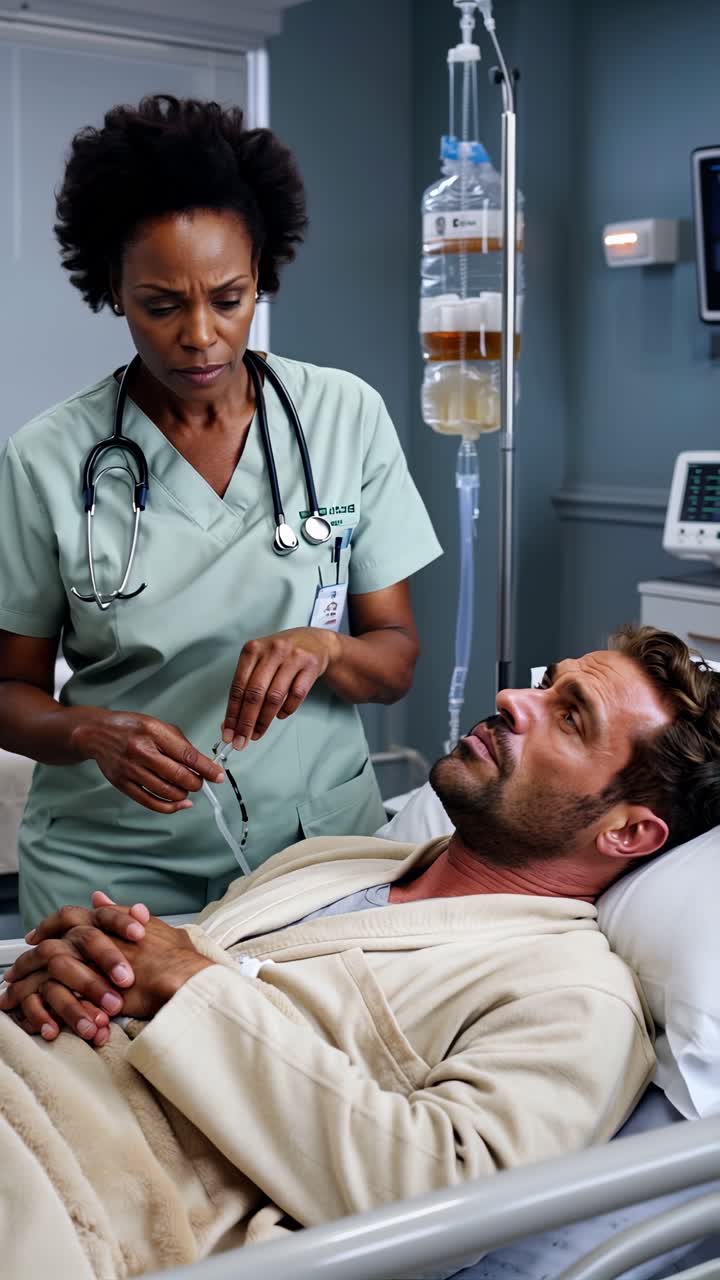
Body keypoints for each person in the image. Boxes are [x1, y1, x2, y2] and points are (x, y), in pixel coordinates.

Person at [1, 625, 719, 1277]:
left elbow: (437, 1200)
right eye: (545, 682)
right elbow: (146, 989)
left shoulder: (572, 996)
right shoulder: (338, 861)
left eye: (569, 716)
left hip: (74, 1191)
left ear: (629, 833)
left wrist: (188, 986)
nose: (512, 698)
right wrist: (79, 970)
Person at [0, 95, 442, 928]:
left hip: (312, 856)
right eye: (161, 306)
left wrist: (325, 647)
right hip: (113, 864)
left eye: (230, 298)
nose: (201, 335)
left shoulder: (344, 415)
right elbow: (9, 690)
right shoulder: (46, 458)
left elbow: (395, 661)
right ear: (112, 291)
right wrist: (90, 732)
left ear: (264, 272)